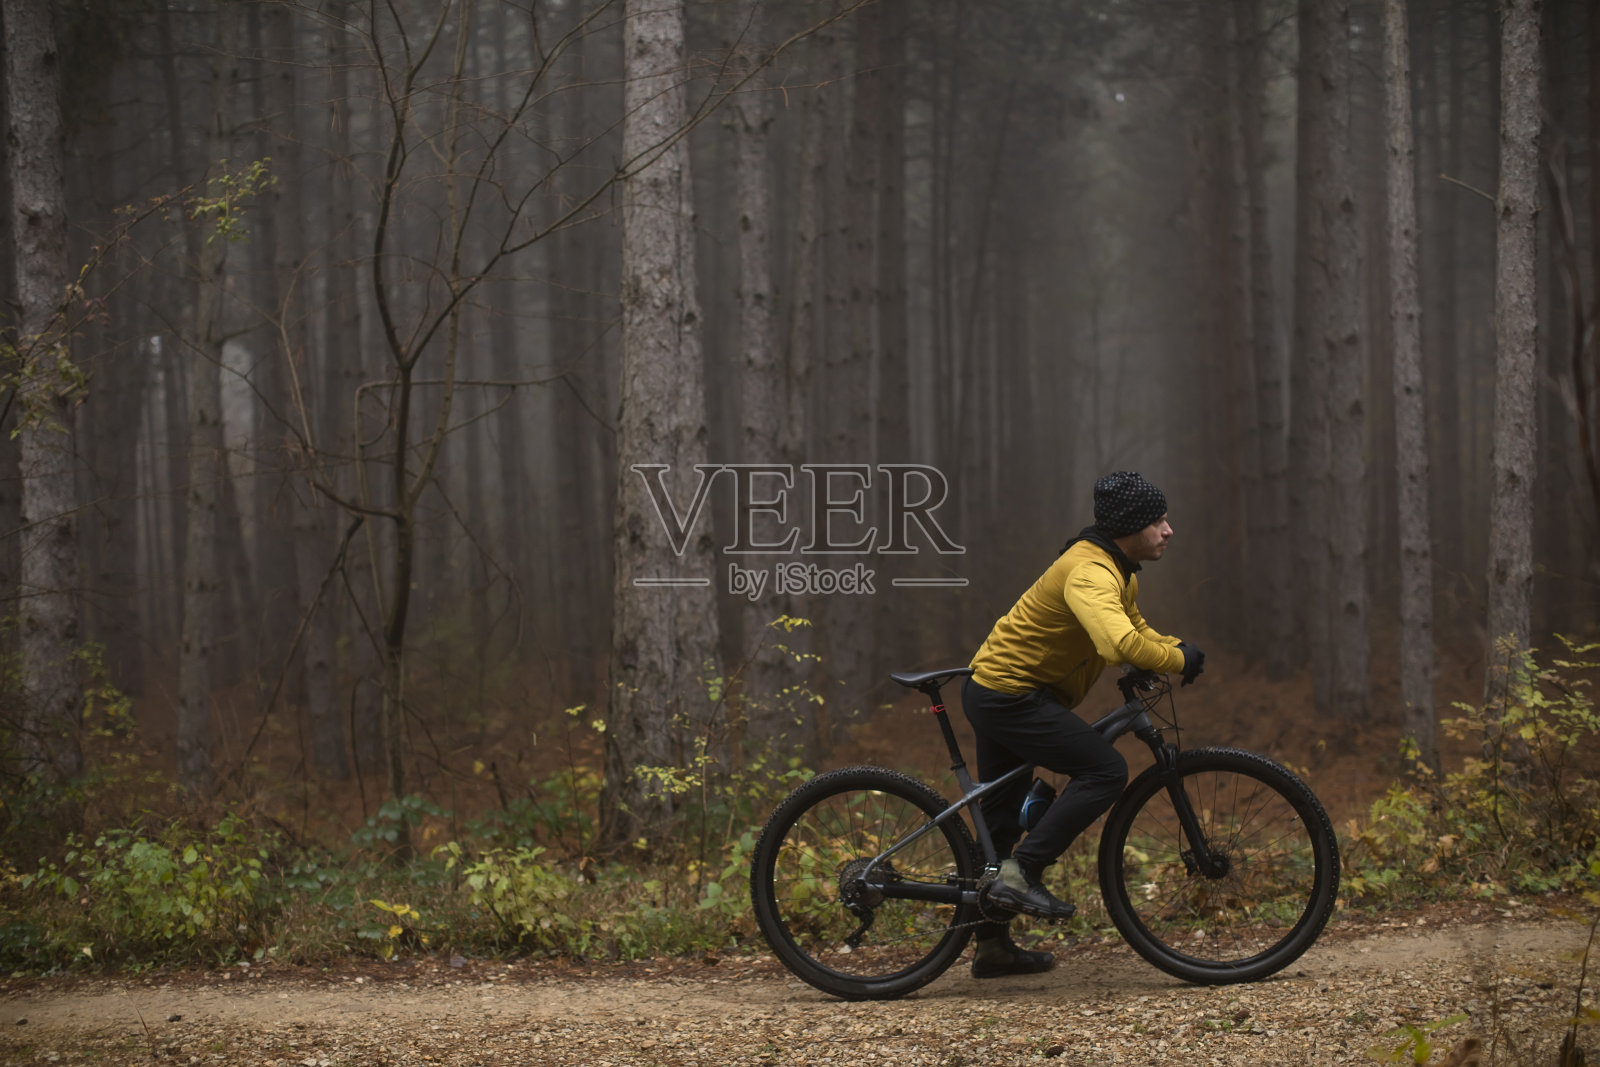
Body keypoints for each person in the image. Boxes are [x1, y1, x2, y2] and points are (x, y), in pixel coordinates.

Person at [960, 471, 1204, 979]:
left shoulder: (1119, 570)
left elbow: (1134, 630)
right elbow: (1118, 646)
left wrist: (1175, 648)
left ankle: (992, 948)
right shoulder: (1090, 572)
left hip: (1005, 691)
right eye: (1159, 520)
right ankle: (1023, 872)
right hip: (1008, 696)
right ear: (1131, 526)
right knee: (1106, 772)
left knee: (1002, 819)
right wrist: (1176, 661)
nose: (1169, 530)